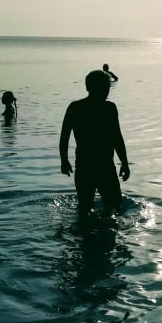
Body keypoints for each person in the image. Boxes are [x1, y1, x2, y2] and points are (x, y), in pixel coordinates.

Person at [59, 69, 131, 215]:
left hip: (88, 166)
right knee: (115, 209)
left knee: (86, 210)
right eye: (105, 87)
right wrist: (124, 162)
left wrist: (64, 160)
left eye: (107, 87)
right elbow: (117, 137)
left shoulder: (76, 107)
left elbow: (64, 138)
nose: (107, 91)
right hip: (102, 166)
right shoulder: (108, 108)